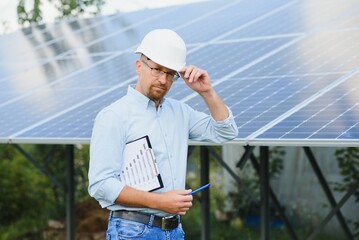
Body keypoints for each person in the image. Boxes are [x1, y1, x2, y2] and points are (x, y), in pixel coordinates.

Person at [88, 29, 238, 239]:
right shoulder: (114, 116)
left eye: (170, 73)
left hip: (174, 231)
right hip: (132, 230)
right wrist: (159, 202)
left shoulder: (180, 112)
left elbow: (226, 132)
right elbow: (100, 185)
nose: (163, 79)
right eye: (157, 69)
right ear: (139, 66)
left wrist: (207, 92)